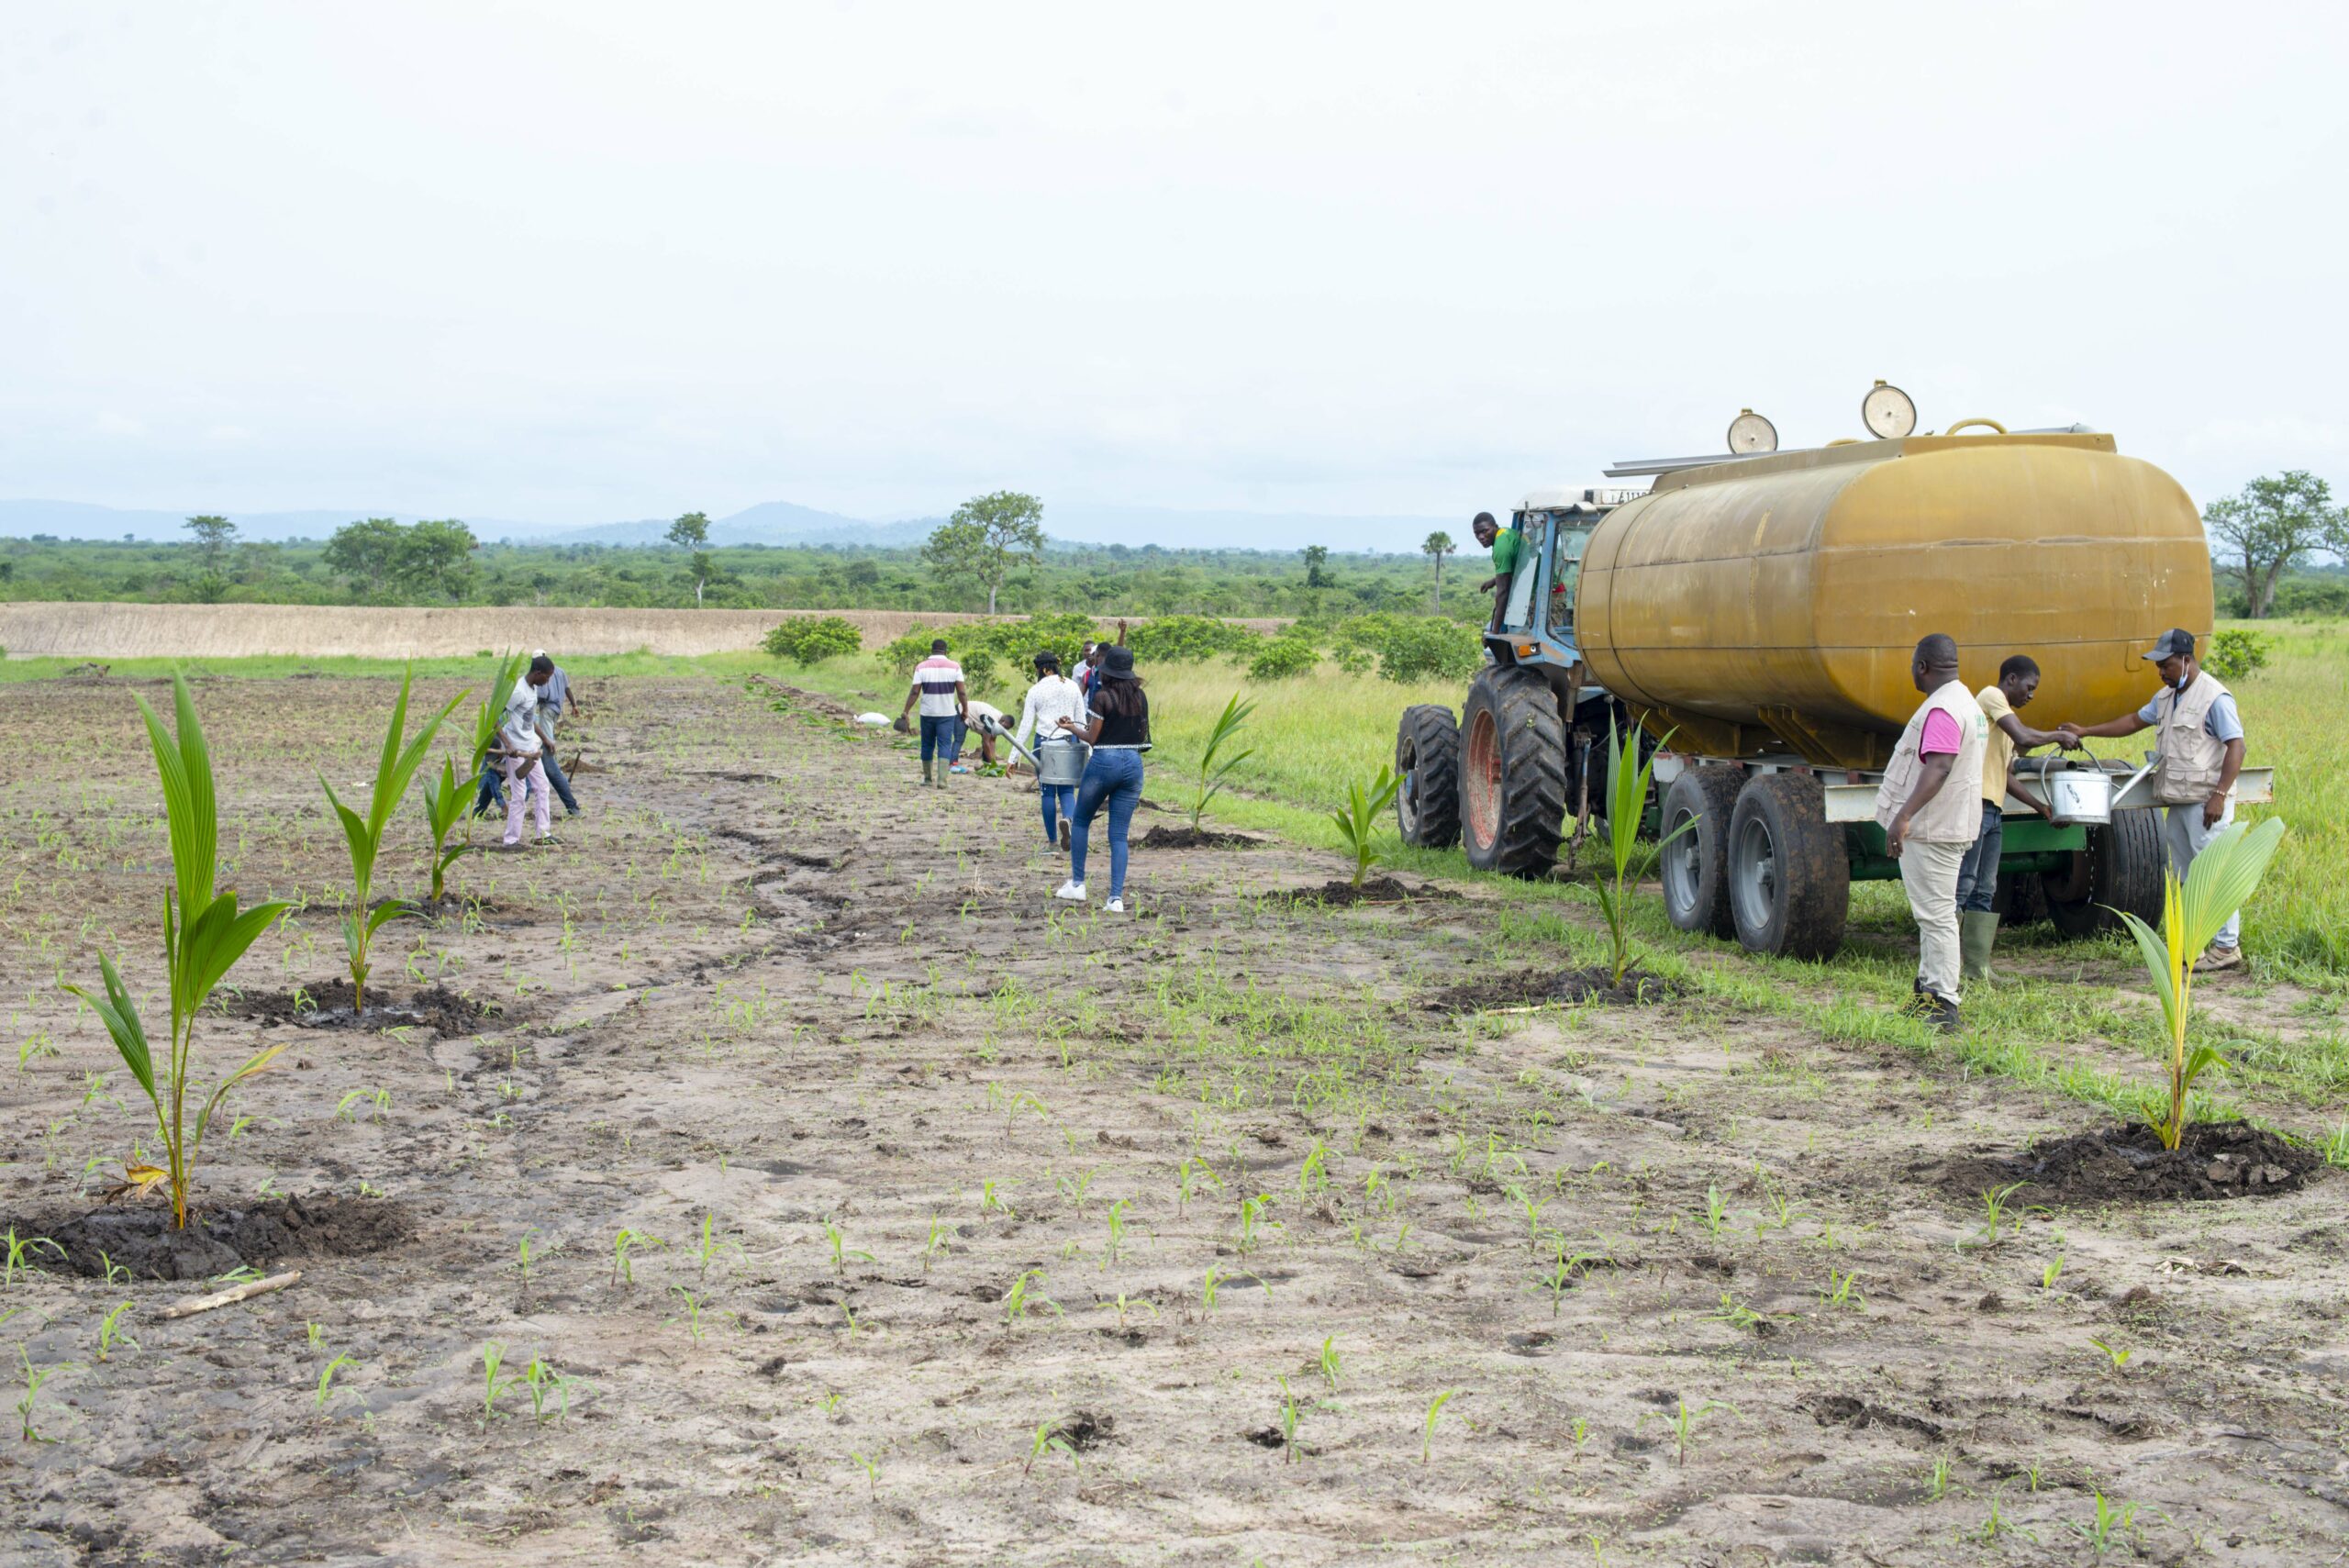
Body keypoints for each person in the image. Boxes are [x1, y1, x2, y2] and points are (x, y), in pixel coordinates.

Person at [2057, 628, 2249, 972]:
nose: (2161, 671)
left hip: (2206, 802)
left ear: (2186, 660)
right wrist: (2086, 730)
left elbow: (2237, 745)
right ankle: (2197, 943)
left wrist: (2219, 796)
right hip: (2178, 799)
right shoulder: (2165, 697)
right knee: (2188, 873)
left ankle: (2227, 946)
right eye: (2158, 665)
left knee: (2214, 873)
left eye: (2167, 664)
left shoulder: (2215, 697)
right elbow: (2132, 721)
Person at [1876, 633, 1987, 1032]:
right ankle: (1925, 993)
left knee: (1936, 915)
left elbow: (1938, 767)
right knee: (1933, 914)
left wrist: (1903, 816)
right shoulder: (1966, 702)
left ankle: (1943, 1002)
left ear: (1922, 666)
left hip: (1934, 827)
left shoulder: (1942, 708)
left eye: (1912, 664)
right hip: (1951, 823)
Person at [1955, 654, 2078, 979]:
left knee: (1985, 887)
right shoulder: (1991, 697)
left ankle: (1976, 967)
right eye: (2029, 686)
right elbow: (2025, 737)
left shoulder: (2004, 724)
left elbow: (2006, 775)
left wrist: (2042, 808)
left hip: (1993, 809)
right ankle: (1945, 963)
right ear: (2011, 679)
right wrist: (2057, 735)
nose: (2031, 694)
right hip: (1976, 804)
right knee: (1965, 882)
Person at [1055, 644, 1148, 913]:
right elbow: (1140, 736)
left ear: (1106, 671)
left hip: (1105, 762)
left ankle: (1078, 884)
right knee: (1119, 835)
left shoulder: (1102, 696)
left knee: (1082, 820)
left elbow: (1093, 737)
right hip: (1133, 764)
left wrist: (1072, 726)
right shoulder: (1140, 697)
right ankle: (1116, 898)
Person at [1011, 651, 1087, 850]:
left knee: (1047, 793)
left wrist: (1013, 757)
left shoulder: (1035, 690)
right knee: (1067, 790)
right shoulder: (1072, 686)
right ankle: (1069, 820)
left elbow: (1026, 725)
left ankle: (1053, 843)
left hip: (1043, 744)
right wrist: (1089, 751)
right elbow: (1082, 721)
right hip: (1068, 742)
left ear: (1044, 669)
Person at [493, 657, 558, 848]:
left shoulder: (534, 688)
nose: (548, 682)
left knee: (543, 787)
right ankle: (511, 840)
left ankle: (542, 834)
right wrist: (508, 744)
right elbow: (494, 720)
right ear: (537, 673)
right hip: (517, 751)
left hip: (531, 750)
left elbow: (529, 719)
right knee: (519, 794)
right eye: (547, 677)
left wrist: (545, 738)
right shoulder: (518, 692)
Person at [896, 638, 968, 788]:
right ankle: (942, 781)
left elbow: (915, 692)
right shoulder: (955, 667)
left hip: (927, 713)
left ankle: (928, 779)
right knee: (945, 745)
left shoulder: (921, 667)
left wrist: (906, 711)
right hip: (947, 714)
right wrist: (965, 709)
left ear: (932, 650)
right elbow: (961, 692)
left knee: (927, 745)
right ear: (945, 651)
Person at [531, 648, 584, 817]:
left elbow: (543, 695)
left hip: (547, 711)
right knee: (537, 759)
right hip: (555, 711)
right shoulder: (559, 671)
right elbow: (568, 689)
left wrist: (545, 739)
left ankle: (571, 805)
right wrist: (574, 705)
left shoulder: (544, 677)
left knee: (546, 758)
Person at [1472, 512, 1520, 629]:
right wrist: (1493, 581)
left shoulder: (1500, 548)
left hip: (1547, 593)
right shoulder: (1505, 533)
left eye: (1485, 531)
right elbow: (1512, 568)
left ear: (1495, 526)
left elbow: (1502, 593)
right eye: (1477, 533)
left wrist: (1495, 632)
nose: (1481, 537)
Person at [953, 697, 1006, 771]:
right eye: (1004, 727)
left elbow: (992, 741)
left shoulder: (999, 720)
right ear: (1003, 722)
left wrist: (993, 762)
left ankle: (986, 764)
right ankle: (953, 764)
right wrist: (993, 765)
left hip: (973, 716)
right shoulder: (991, 720)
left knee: (988, 740)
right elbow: (985, 742)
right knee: (959, 739)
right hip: (961, 710)